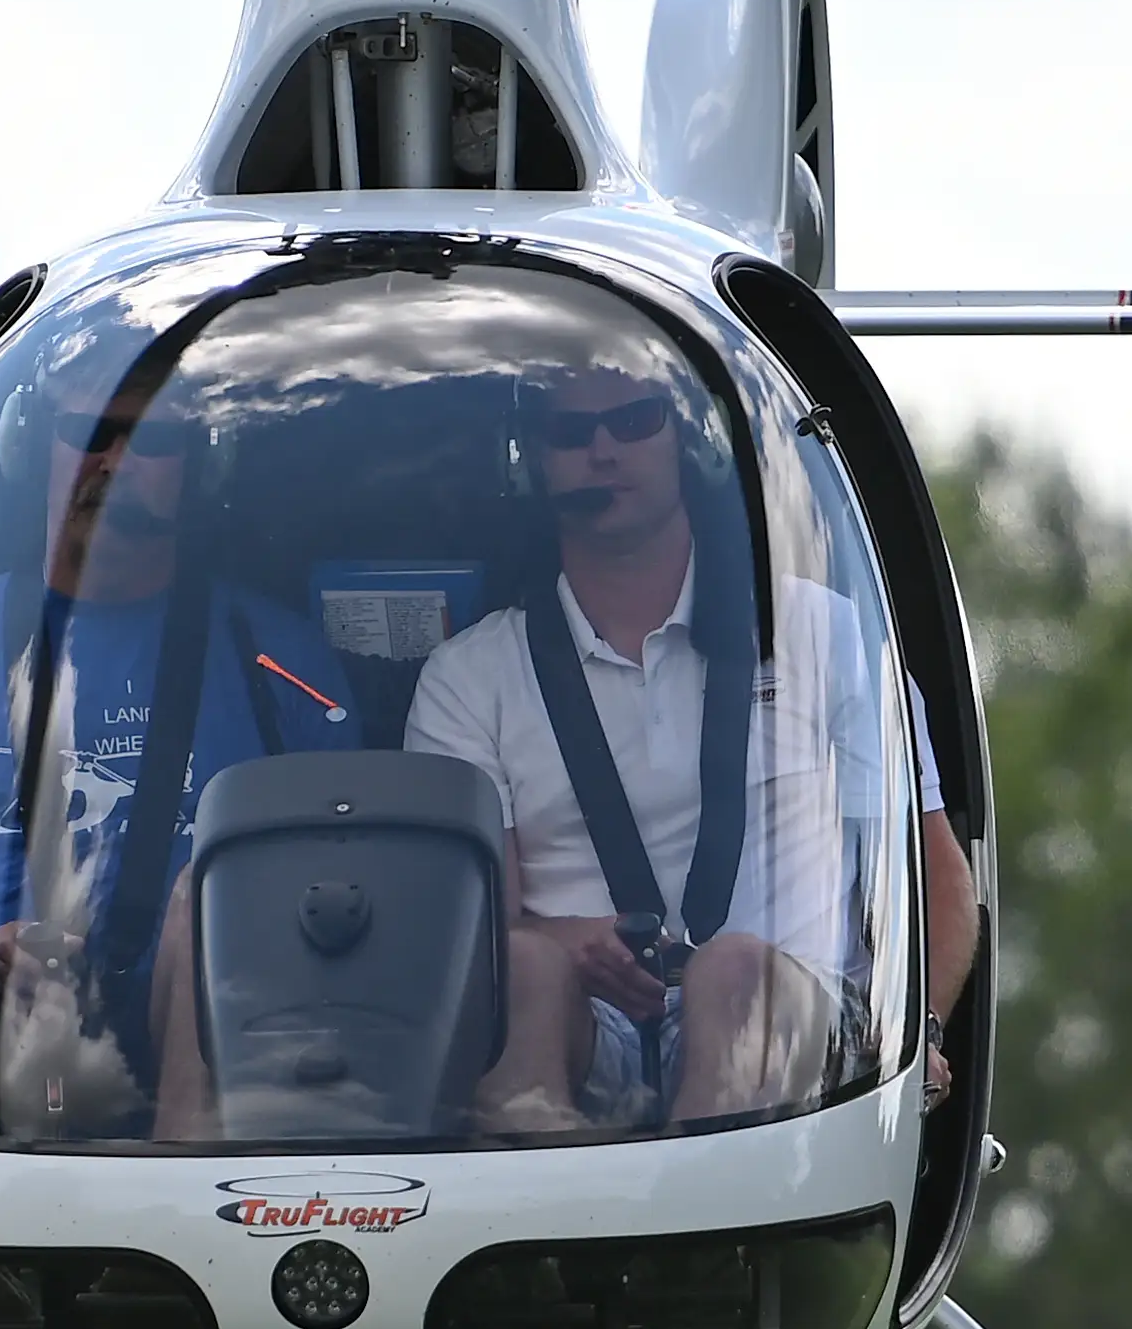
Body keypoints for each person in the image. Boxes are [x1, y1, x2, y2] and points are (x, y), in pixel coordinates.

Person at [395, 343, 971, 1136]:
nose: (603, 450)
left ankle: (709, 1241)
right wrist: (578, 943)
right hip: (586, 1027)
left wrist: (924, 1034)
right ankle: (544, 1240)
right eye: (572, 432)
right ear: (536, 460)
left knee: (731, 973)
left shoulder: (828, 635)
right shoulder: (467, 675)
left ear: (685, 436)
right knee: (519, 970)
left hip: (795, 1025)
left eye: (633, 420)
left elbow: (939, 880)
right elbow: (469, 928)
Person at [0, 372, 348, 1138]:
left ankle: (181, 1184)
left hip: (232, 1044)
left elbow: (349, 890)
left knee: (200, 908)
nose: (115, 460)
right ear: (31, 448)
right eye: (89, 432)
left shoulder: (283, 660)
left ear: (200, 467)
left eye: (154, 440)